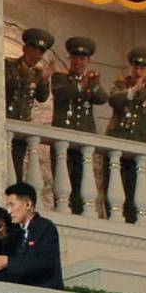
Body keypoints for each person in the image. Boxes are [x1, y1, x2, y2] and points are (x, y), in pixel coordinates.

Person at [0, 180, 63, 289]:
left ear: (28, 204)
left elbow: (44, 263)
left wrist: (8, 262)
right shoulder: (16, 232)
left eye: (12, 205)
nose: (9, 211)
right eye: (7, 206)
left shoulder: (45, 227)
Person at [105, 48, 146, 222]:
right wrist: (133, 90)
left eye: (143, 68)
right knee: (113, 184)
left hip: (137, 143)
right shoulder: (121, 84)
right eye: (136, 67)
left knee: (133, 186)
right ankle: (112, 216)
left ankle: (130, 218)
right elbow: (113, 100)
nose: (139, 71)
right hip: (118, 139)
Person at [51, 36, 105, 212]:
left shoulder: (91, 81)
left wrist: (93, 85)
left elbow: (102, 98)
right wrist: (82, 86)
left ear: (88, 60)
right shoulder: (60, 78)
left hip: (83, 138)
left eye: (82, 58)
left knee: (82, 182)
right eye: (75, 57)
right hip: (64, 138)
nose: (78, 62)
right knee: (63, 179)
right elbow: (62, 94)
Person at [7, 28, 53, 181]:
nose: (37, 56)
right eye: (34, 51)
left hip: (22, 124)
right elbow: (10, 84)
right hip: (7, 121)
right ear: (25, 49)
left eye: (40, 52)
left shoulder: (37, 74)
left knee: (17, 167)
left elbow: (42, 97)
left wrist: (45, 81)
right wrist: (25, 71)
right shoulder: (9, 65)